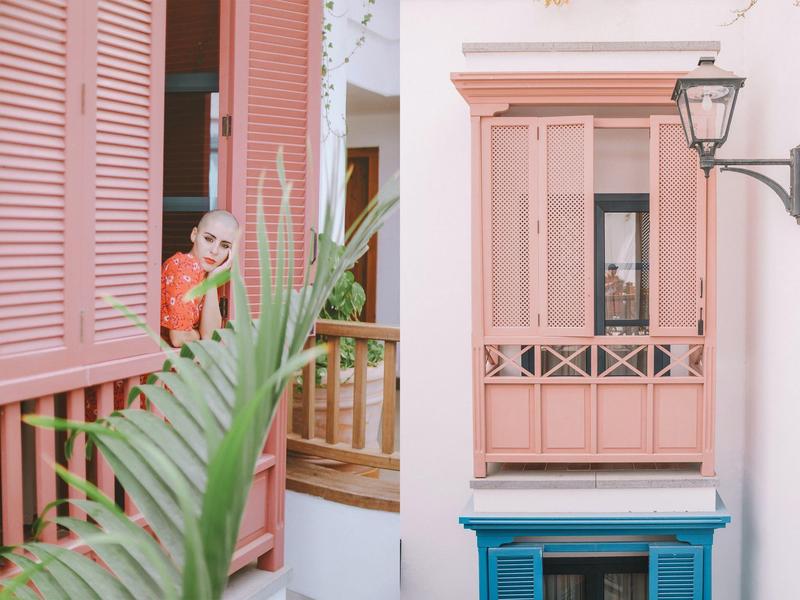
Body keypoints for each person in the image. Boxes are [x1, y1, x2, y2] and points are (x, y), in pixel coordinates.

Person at [160, 210, 239, 347]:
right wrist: (198, 334)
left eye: (225, 246)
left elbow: (210, 336)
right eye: (209, 239)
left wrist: (212, 280)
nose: (214, 251)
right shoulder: (184, 265)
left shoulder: (203, 274)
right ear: (194, 235)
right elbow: (179, 338)